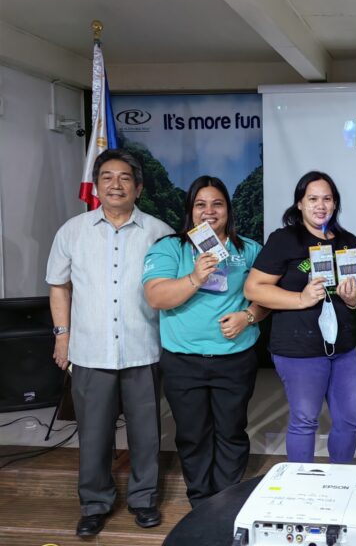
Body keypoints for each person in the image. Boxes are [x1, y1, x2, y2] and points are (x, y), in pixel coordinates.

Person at [46, 149, 173, 536]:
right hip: (89, 350)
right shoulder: (72, 230)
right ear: (96, 185)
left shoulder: (159, 232)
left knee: (146, 433)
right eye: (107, 177)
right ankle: (95, 503)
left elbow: (168, 289)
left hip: (143, 349)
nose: (115, 184)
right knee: (94, 434)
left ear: (138, 187)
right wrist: (62, 337)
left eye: (124, 178)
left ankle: (144, 499)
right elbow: (59, 287)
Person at [142, 176, 267, 507]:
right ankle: (200, 501)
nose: (209, 212)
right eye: (201, 204)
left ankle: (225, 500)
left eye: (217, 204)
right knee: (192, 434)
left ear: (228, 209)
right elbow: (156, 296)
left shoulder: (250, 249)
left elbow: (266, 297)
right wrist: (196, 276)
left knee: (231, 431)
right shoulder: (169, 247)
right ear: (190, 211)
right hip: (184, 361)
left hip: (235, 358)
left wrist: (249, 316)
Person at [245, 171, 356, 463]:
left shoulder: (347, 241)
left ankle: (340, 480)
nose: (320, 205)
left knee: (351, 418)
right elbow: (254, 288)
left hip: (343, 348)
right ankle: (301, 489)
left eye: (327, 199)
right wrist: (300, 299)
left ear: (335, 203)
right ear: (299, 203)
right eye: (312, 198)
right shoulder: (284, 240)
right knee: (305, 420)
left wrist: (355, 298)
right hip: (298, 347)